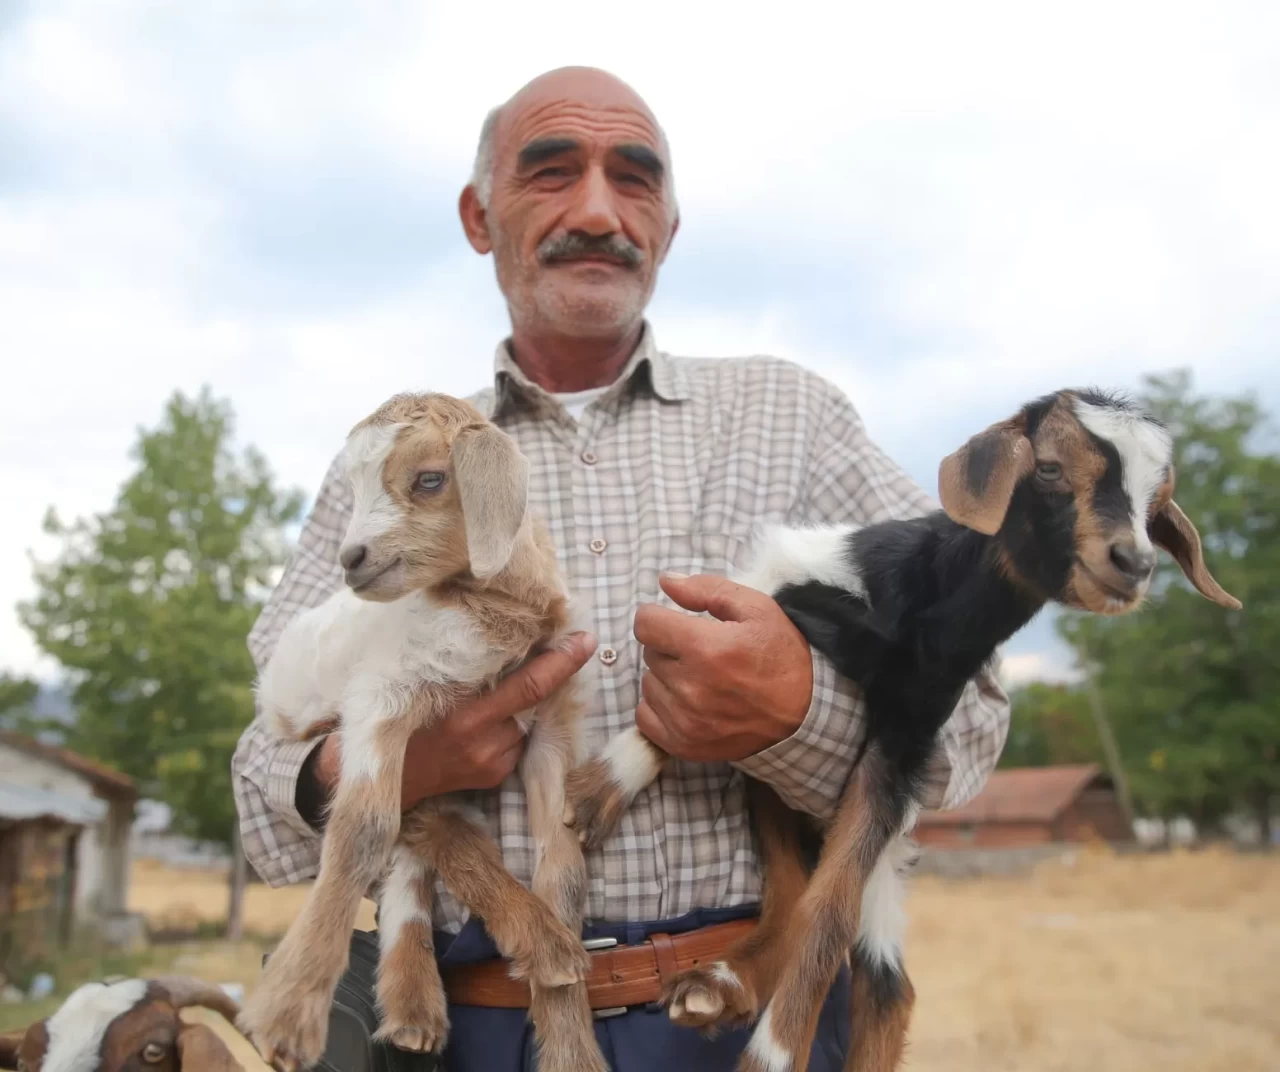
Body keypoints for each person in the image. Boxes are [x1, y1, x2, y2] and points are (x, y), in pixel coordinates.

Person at [231, 65, 1010, 1072]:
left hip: (741, 1019)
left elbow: (976, 708)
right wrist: (378, 768)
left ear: (669, 228)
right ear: (479, 216)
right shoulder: (394, 463)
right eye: (551, 171)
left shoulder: (794, 418)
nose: (597, 209)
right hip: (466, 1030)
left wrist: (795, 714)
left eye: (633, 179)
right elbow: (259, 783)